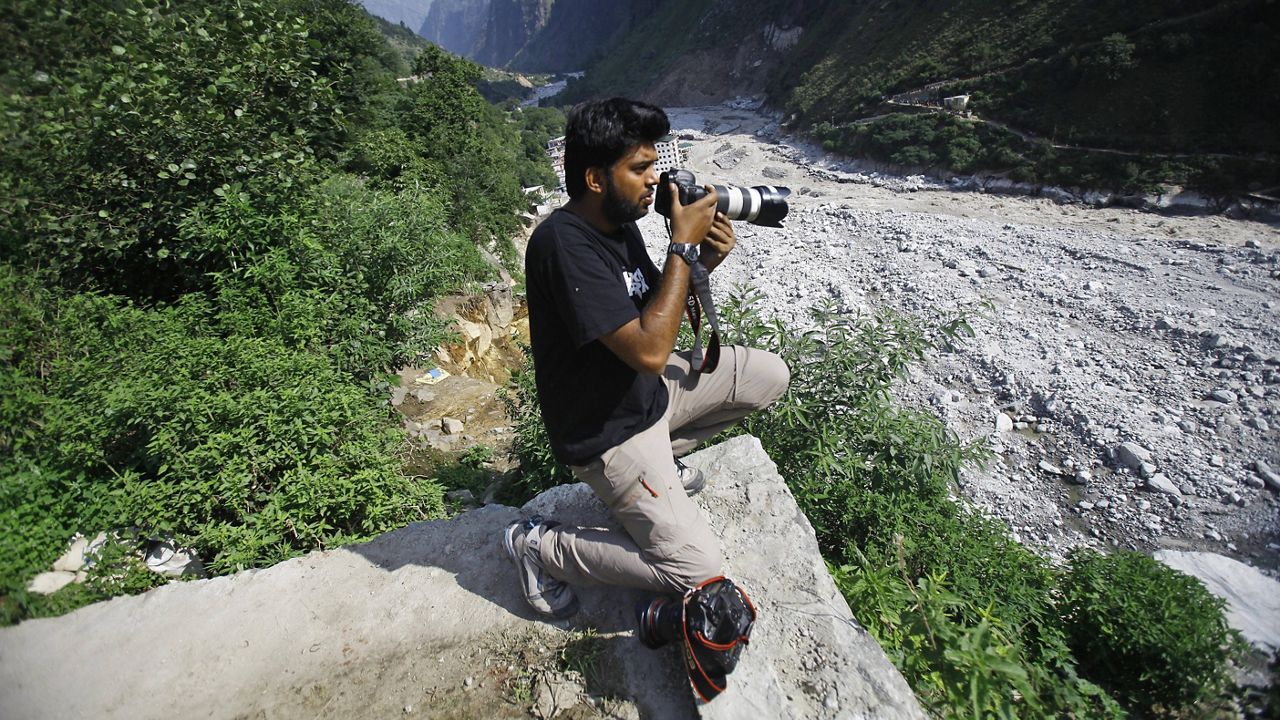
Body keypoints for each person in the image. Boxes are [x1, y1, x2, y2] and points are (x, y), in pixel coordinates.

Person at [505, 97, 789, 619]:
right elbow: (652, 349)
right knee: (698, 574)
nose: (655, 180)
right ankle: (540, 547)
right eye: (640, 169)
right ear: (595, 178)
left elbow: (654, 302)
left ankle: (661, 463)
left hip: (646, 399)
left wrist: (702, 259)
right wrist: (681, 244)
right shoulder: (562, 244)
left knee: (770, 375)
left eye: (654, 165)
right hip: (606, 432)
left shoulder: (620, 221)